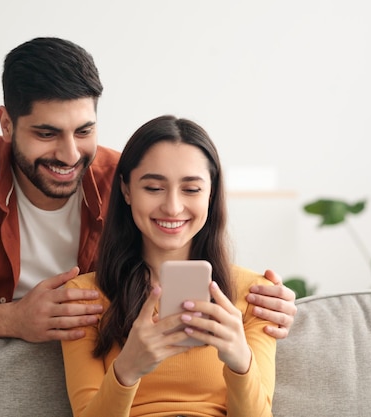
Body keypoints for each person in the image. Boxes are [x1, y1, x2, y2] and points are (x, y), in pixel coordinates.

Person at [0, 37, 296, 343]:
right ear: (6, 123)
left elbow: (190, 267)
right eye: (46, 133)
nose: (70, 153)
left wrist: (259, 305)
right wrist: (7, 320)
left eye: (84, 130)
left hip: (100, 368)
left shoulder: (127, 181)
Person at [61, 115, 275, 416]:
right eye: (153, 188)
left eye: (191, 189)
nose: (173, 207)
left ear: (211, 193)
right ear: (126, 190)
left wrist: (241, 363)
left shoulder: (257, 295)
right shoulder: (84, 298)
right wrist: (127, 369)